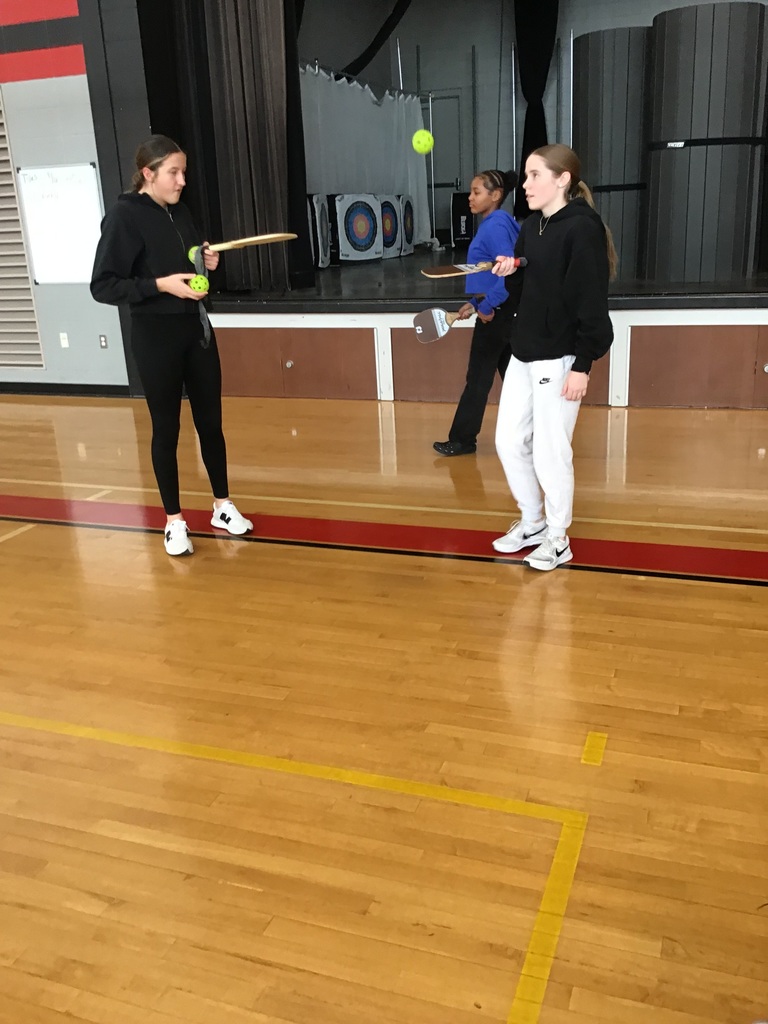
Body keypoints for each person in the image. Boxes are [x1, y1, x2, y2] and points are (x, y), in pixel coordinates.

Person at [91, 134, 252, 557]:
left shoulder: (180, 213)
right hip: (155, 338)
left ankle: (222, 505)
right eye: (173, 173)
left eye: (184, 172)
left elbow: (191, 266)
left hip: (195, 332)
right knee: (166, 430)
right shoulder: (124, 217)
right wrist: (159, 285)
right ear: (149, 174)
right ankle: (174, 521)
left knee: (211, 424)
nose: (182, 181)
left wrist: (206, 262)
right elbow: (103, 285)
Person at [490, 144, 616, 571]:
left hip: (560, 359)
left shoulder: (582, 228)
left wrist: (583, 364)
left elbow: (590, 300)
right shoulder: (530, 226)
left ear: (562, 179)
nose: (524, 185)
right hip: (524, 355)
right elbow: (527, 292)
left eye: (534, 176)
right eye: (525, 177)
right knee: (507, 442)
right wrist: (514, 270)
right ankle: (533, 522)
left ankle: (559, 539)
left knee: (550, 452)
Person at [432, 169, 520, 457]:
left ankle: (462, 440)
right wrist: (474, 302)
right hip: (501, 311)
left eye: (477, 192)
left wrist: (486, 307)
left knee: (478, 379)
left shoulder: (494, 227)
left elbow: (509, 274)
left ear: (495, 196)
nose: (470, 197)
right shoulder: (501, 223)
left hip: (496, 314)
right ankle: (534, 437)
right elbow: (491, 273)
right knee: (517, 380)